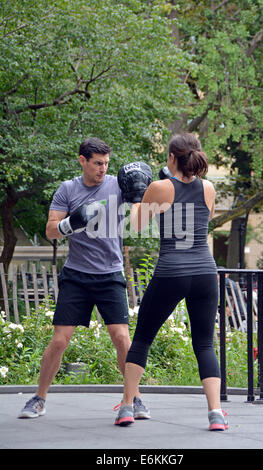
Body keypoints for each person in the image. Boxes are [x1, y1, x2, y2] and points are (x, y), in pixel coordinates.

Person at [18, 137, 150, 420]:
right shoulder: (67, 190)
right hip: (77, 275)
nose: (103, 169)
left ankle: (135, 398)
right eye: (97, 163)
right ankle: (39, 397)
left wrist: (141, 196)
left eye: (106, 163)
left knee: (122, 337)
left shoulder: (117, 184)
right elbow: (50, 231)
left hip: (110, 274)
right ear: (82, 161)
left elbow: (139, 221)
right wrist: (71, 223)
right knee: (60, 340)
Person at [115, 133, 228, 431]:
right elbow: (205, 221)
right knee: (205, 343)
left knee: (141, 340)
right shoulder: (209, 187)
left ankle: (127, 406)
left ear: (171, 158)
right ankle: (216, 413)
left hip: (171, 272)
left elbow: (137, 225)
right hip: (205, 272)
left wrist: (135, 198)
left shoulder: (160, 187)